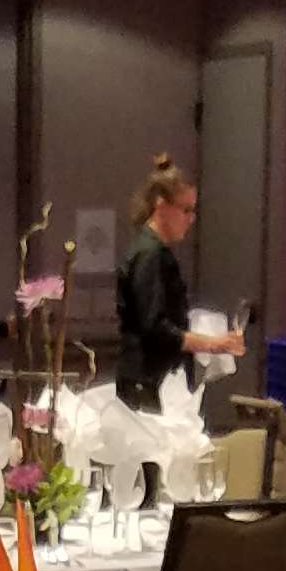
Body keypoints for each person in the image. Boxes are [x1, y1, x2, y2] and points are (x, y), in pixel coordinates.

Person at [114, 157, 242, 408]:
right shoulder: (150, 254)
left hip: (149, 379)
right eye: (186, 210)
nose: (191, 219)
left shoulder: (152, 251)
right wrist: (212, 344)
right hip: (146, 381)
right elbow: (155, 327)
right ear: (161, 205)